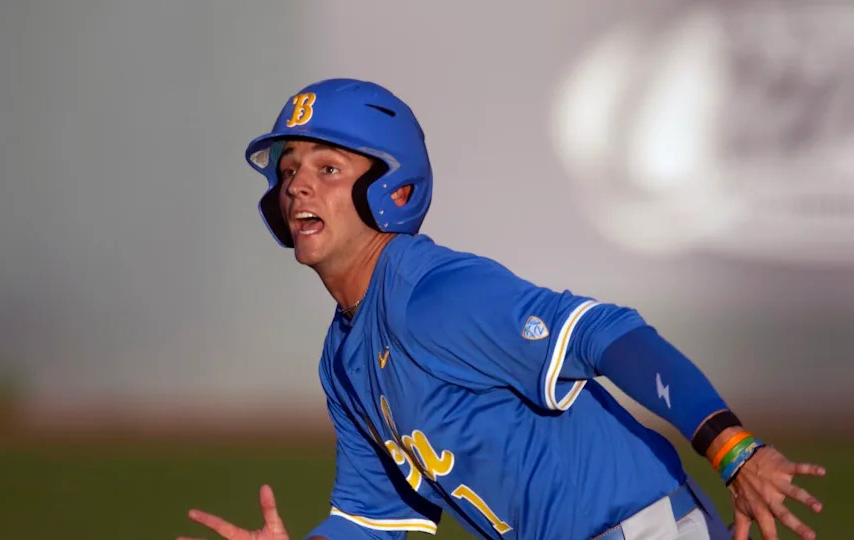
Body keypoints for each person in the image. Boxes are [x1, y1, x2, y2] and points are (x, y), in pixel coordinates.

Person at [178, 79, 826, 540]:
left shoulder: (433, 295)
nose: (297, 184)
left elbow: (609, 333)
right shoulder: (342, 356)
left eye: (327, 166)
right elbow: (371, 521)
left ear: (394, 188)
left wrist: (733, 448)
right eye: (289, 169)